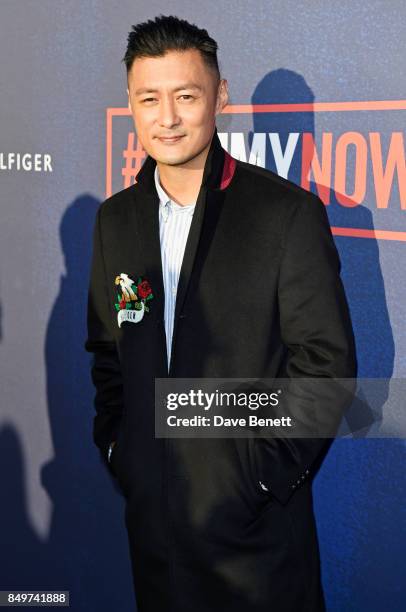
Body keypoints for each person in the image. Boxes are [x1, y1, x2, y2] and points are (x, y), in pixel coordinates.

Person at [84, 14, 357, 612]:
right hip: (154, 542)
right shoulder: (116, 221)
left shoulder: (285, 216)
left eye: (186, 95)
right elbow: (108, 352)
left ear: (220, 96)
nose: (168, 117)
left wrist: (254, 479)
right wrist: (121, 451)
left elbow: (325, 367)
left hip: (256, 548)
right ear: (130, 103)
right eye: (149, 98)